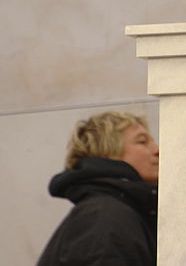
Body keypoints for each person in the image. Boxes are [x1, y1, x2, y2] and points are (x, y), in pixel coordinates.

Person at [37, 111, 159, 266]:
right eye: (142, 142)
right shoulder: (108, 215)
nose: (157, 150)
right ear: (109, 154)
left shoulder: (113, 210)